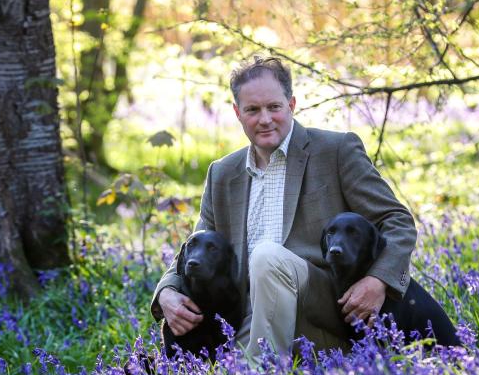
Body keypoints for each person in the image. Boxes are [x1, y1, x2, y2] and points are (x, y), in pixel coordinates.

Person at [151, 56, 417, 357]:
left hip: (326, 308)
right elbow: (197, 242)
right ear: (238, 113)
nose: (264, 119)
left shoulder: (336, 151)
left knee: (266, 255)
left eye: (273, 107)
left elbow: (396, 220)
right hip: (245, 314)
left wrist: (378, 280)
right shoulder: (223, 173)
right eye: (252, 110)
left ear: (291, 105)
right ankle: (240, 372)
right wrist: (167, 291)